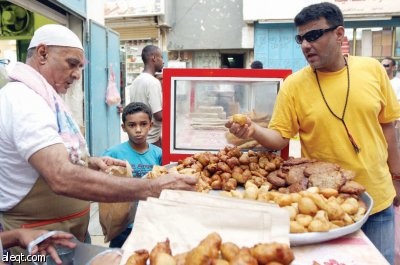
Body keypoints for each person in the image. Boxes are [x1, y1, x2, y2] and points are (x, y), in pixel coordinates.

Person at [0, 24, 196, 258]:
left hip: (68, 236)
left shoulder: (46, 97)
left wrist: (88, 162)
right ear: (42, 54)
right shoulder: (23, 100)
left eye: (80, 67)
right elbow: (60, 176)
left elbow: (50, 158)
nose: (76, 74)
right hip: (36, 244)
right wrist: (150, 188)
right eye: (72, 64)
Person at [226, 2, 400, 264]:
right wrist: (254, 130)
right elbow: (280, 138)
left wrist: (397, 176)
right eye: (301, 38)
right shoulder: (294, 86)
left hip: (378, 199)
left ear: (339, 34)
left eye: (314, 35)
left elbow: (388, 128)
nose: (306, 45)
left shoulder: (373, 70)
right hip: (322, 206)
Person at [103, 102, 162, 248]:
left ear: (151, 125)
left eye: (143, 124)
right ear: (123, 127)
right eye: (132, 125)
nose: (138, 130)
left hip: (149, 222)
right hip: (122, 226)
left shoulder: (159, 154)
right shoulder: (113, 154)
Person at [128, 45, 164, 148]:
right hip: (151, 139)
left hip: (139, 138)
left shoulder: (136, 81)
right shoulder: (153, 82)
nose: (163, 61)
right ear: (153, 58)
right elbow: (159, 115)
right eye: (161, 57)